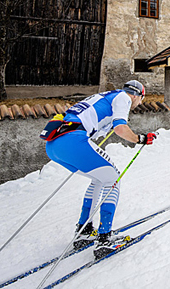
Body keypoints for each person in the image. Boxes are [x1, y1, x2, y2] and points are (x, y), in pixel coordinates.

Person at [40, 80, 157, 259]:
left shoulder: (104, 97)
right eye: (141, 99)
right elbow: (120, 128)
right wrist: (140, 139)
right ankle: (104, 238)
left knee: (100, 178)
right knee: (113, 179)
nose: (139, 103)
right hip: (73, 140)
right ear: (136, 95)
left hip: (55, 143)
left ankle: (84, 230)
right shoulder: (123, 98)